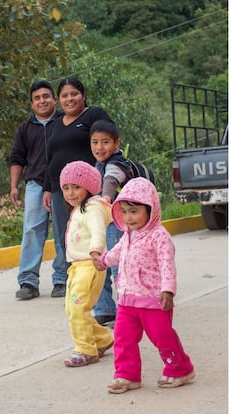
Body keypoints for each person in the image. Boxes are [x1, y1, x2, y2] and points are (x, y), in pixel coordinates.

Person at [92, 177, 195, 393]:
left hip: (153, 300)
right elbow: (117, 253)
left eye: (135, 211)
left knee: (162, 337)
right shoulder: (128, 235)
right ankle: (127, 375)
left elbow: (167, 265)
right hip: (127, 298)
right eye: (125, 211)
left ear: (150, 209)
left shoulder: (159, 237)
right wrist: (103, 261)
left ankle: (180, 368)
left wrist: (168, 290)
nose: (129, 218)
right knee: (123, 338)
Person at [42, 77, 112, 297]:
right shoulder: (54, 123)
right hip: (60, 191)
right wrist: (47, 188)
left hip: (88, 191)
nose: (69, 99)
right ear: (58, 99)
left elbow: (107, 143)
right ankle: (76, 286)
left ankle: (101, 294)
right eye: (64, 95)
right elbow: (49, 157)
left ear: (83, 95)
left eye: (74, 93)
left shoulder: (94, 115)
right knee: (67, 238)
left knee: (94, 238)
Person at [10, 79, 68, 300]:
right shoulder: (25, 129)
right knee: (32, 230)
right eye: (37, 98)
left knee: (64, 231)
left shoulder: (65, 122)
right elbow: (17, 158)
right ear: (32, 104)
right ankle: (28, 281)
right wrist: (14, 186)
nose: (42, 101)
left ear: (54, 99)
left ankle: (61, 279)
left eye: (46, 96)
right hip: (35, 184)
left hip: (63, 184)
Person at [59, 161, 114, 367]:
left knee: (77, 309)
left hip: (90, 264)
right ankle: (102, 339)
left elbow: (98, 229)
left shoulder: (93, 209)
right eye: (66, 188)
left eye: (76, 187)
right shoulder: (79, 209)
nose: (71, 193)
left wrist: (96, 251)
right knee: (73, 308)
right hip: (77, 266)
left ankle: (86, 350)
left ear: (89, 187)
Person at [90, 119, 134, 326]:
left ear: (116, 143)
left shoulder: (118, 163)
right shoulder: (97, 164)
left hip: (116, 223)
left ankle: (128, 310)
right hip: (101, 222)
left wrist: (105, 199)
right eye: (95, 142)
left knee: (119, 267)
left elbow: (111, 180)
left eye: (105, 142)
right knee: (99, 264)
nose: (99, 147)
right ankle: (105, 309)